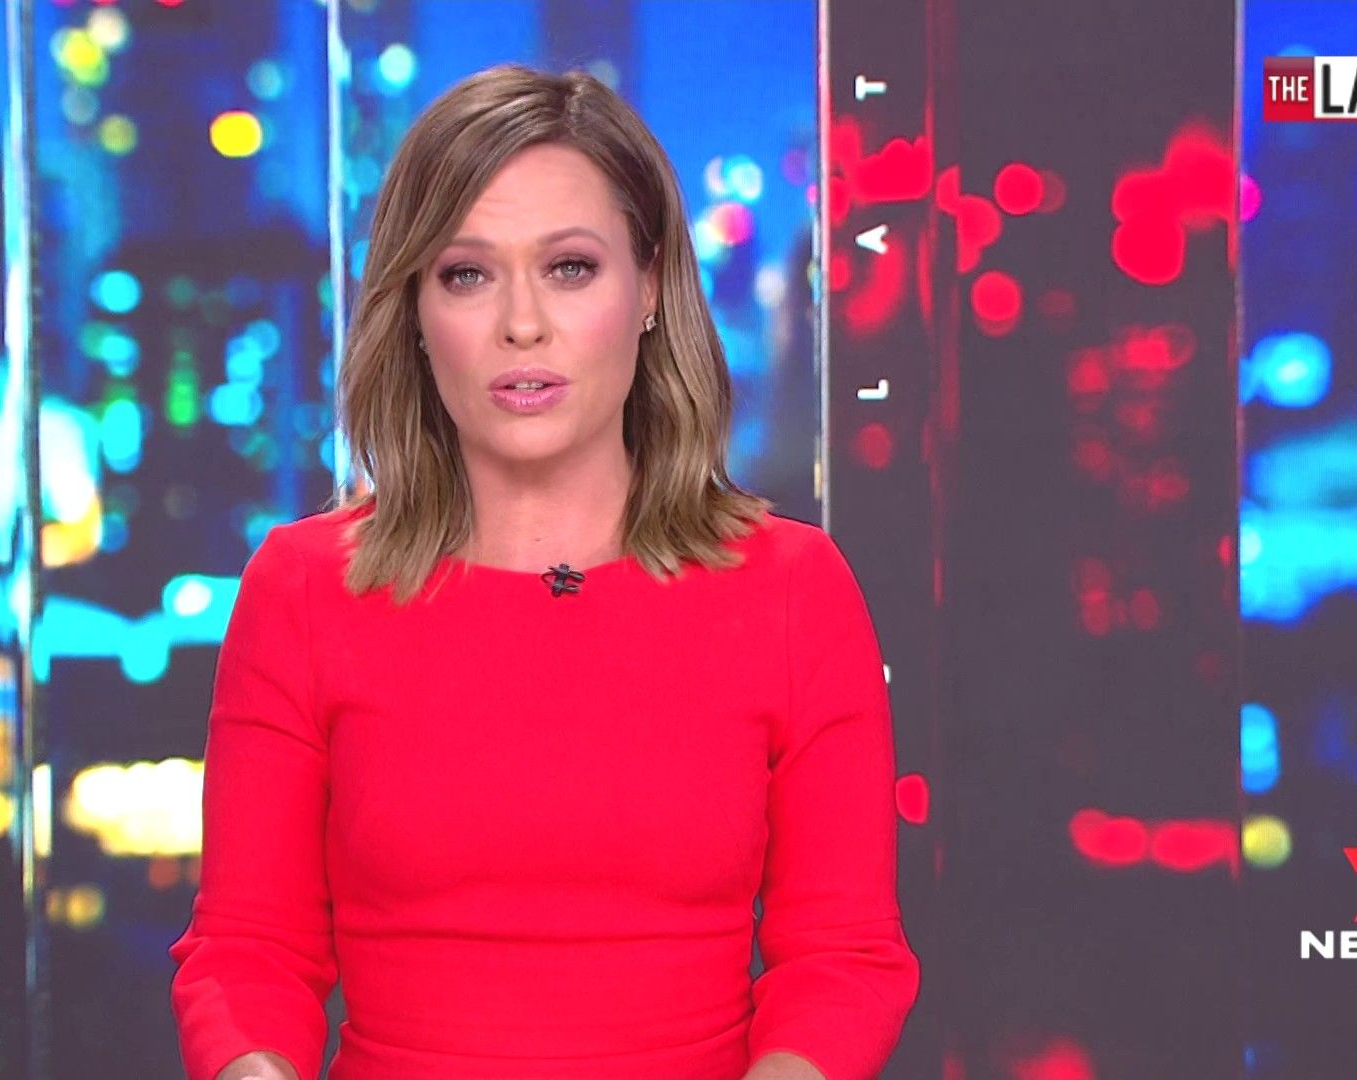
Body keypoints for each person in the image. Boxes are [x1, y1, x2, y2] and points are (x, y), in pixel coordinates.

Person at [169, 62, 919, 1080]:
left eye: (569, 267)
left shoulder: (793, 588)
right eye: (466, 274)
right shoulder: (304, 587)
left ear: (649, 289)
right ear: (416, 312)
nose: (521, 323)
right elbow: (250, 953)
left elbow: (842, 959)